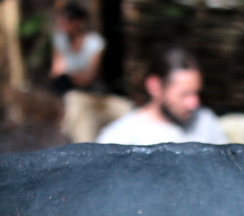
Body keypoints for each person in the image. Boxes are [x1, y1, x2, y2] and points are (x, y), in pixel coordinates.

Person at [95, 45, 228, 145]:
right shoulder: (120, 139)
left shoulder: (204, 120)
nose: (194, 103)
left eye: (196, 93)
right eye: (184, 94)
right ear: (155, 86)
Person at [49, 2, 105, 96]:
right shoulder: (59, 39)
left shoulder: (95, 43)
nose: (63, 24)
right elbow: (55, 71)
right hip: (63, 87)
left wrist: (69, 74)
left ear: (78, 22)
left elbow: (88, 78)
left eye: (67, 20)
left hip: (86, 91)